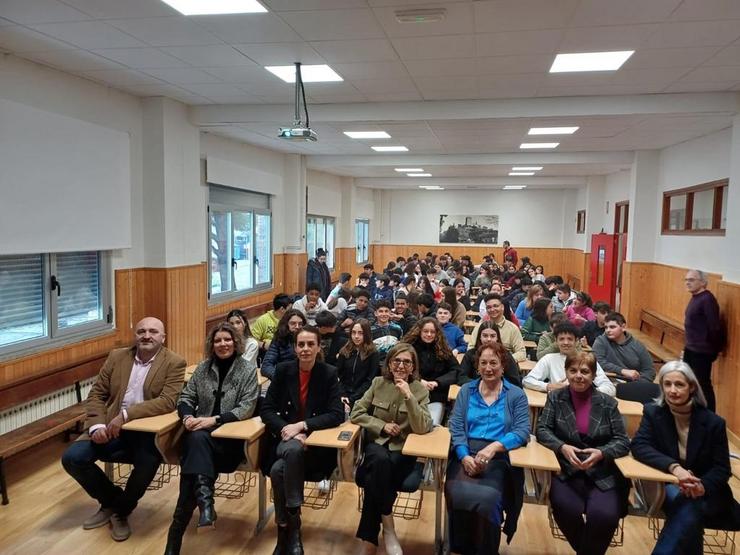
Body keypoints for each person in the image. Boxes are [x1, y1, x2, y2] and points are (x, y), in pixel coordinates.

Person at [61, 317, 186, 542]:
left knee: (148, 461)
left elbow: (168, 401)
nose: (147, 335)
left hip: (147, 431)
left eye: (153, 332)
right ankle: (111, 500)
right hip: (109, 426)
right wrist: (97, 425)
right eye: (141, 331)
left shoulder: (175, 362)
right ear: (135, 335)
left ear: (163, 337)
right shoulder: (117, 356)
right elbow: (97, 394)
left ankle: (121, 511)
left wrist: (126, 415)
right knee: (72, 458)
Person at [164, 323, 260, 554]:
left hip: (230, 442)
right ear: (211, 344)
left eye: (227, 340)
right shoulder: (203, 368)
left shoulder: (246, 369)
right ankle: (205, 508)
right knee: (196, 448)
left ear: (235, 342)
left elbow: (247, 407)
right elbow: (186, 397)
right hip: (201, 442)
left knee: (194, 454)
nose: (223, 344)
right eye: (218, 341)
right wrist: (187, 417)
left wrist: (213, 420)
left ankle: (177, 537)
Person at [631, 361, 740, 555]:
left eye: (679, 384)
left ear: (691, 387)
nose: (672, 390)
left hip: (708, 492)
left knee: (688, 505)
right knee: (687, 506)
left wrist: (702, 486)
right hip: (668, 485)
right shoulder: (653, 412)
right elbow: (640, 446)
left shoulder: (713, 423)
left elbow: (722, 468)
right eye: (667, 384)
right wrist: (675, 468)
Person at [260, 326, 345, 555]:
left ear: (319, 347)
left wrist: (303, 426)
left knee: (279, 470)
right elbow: (266, 410)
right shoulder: (283, 370)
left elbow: (337, 413)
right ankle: (294, 521)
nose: (305, 349)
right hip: (285, 438)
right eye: (301, 344)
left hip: (315, 446)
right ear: (295, 348)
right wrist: (288, 430)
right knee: (292, 451)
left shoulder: (328, 373)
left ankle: (286, 530)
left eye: (310, 344)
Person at [536, 351, 630, 555]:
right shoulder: (555, 397)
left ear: (594, 375)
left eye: (585, 371)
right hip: (566, 471)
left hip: (601, 473)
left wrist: (601, 452)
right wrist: (562, 446)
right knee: (565, 509)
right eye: (573, 370)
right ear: (566, 372)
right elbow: (542, 430)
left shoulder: (608, 403)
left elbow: (622, 441)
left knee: (605, 516)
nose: (579, 375)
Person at [446, 341, 530, 554]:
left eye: (494, 363)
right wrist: (464, 456)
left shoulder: (515, 394)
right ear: (477, 366)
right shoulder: (467, 390)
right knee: (457, 494)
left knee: (487, 500)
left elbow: (522, 431)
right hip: (465, 451)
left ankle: (485, 550)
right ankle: (460, 547)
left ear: (503, 366)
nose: (488, 368)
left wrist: (495, 447)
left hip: (499, 456)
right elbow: (456, 427)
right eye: (483, 363)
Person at [351, 343, 433, 555]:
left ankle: (369, 538)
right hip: (376, 445)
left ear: (413, 367)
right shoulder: (378, 383)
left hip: (403, 451)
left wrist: (409, 396)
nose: (401, 366)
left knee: (374, 476)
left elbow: (423, 427)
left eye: (407, 362)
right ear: (389, 363)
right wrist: (381, 425)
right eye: (396, 361)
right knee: (379, 460)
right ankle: (388, 528)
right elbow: (356, 413)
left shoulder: (419, 390)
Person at [524, 322, 615, 396]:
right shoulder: (549, 359)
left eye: (570, 339)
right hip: (560, 404)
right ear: (556, 341)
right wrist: (549, 386)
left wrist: (587, 393)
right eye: (562, 339)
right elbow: (527, 380)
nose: (566, 342)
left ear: (576, 341)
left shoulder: (588, 359)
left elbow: (610, 388)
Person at [403, 317, 461, 425]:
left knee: (430, 424)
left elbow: (456, 370)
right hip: (411, 392)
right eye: (425, 331)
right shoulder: (409, 348)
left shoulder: (443, 348)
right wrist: (419, 381)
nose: (429, 334)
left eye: (432, 332)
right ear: (419, 331)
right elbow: (401, 370)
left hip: (436, 395)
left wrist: (437, 382)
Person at [683, 269, 724, 412]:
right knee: (689, 383)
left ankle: (709, 416)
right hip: (691, 348)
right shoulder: (695, 297)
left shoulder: (707, 299)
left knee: (703, 385)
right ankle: (693, 412)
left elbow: (714, 327)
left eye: (691, 279)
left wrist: (714, 349)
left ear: (703, 282)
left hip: (702, 351)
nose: (687, 282)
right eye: (686, 279)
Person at [592, 312, 655, 382]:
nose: (608, 330)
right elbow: (598, 362)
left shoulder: (637, 345)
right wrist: (622, 371)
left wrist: (640, 382)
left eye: (612, 327)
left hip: (634, 383)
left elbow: (649, 370)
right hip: (609, 381)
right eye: (606, 327)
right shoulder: (601, 341)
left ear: (623, 327)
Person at [459, 321, 521, 387]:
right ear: (480, 337)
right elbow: (461, 378)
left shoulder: (505, 355)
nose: (489, 339)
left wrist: (495, 385)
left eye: (492, 336)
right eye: (485, 336)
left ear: (497, 338)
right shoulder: (470, 354)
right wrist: (480, 384)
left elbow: (515, 381)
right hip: (475, 390)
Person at [336, 319, 380, 409]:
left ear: (366, 334)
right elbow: (338, 375)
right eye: (353, 332)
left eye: (360, 333)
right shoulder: (344, 351)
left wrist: (353, 398)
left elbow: (370, 380)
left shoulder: (373, 353)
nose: (356, 336)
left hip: (363, 396)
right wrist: (343, 395)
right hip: (343, 394)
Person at [471, 293, 526, 362]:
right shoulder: (479, 327)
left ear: (502, 307)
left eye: (495, 306)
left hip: (506, 365)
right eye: (489, 307)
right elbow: (471, 348)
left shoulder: (513, 328)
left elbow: (521, 353)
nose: (492, 309)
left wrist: (501, 360)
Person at [261, 309, 307, 380]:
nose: (297, 326)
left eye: (300, 324)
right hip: (285, 378)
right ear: (286, 324)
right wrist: (282, 378)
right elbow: (266, 366)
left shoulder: (309, 339)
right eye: (293, 323)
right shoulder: (279, 339)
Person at [370, 299, 403, 363]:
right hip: (376, 364)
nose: (384, 314)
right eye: (381, 311)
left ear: (390, 313)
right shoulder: (370, 330)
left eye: (386, 311)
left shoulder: (397, 328)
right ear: (375, 313)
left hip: (393, 363)